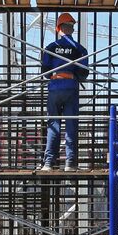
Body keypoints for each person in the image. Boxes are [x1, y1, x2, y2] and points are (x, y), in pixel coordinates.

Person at [39, 12, 89, 171]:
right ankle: (70, 163)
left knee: (53, 125)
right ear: (72, 29)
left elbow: (45, 72)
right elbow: (83, 73)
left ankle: (48, 163)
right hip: (71, 88)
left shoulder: (51, 47)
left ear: (58, 28)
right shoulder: (80, 49)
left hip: (55, 87)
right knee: (71, 125)